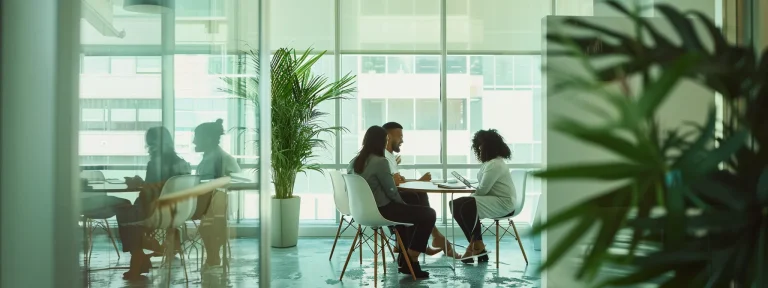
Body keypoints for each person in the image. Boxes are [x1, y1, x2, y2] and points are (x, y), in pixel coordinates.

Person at [347, 126, 435, 278]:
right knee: (428, 214)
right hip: (382, 210)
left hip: (360, 212)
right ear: (381, 141)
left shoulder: (353, 162)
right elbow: (391, 191)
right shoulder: (380, 162)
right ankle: (411, 258)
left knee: (413, 203)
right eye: (386, 140)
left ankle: (405, 258)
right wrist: (404, 205)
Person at [116, 126, 192, 279]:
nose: (149, 147)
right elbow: (165, 187)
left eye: (150, 143)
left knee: (123, 211)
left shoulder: (155, 164)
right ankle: (146, 252)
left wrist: (138, 184)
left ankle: (138, 256)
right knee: (130, 213)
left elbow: (150, 193)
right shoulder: (182, 163)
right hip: (178, 212)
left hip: (156, 211)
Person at [382, 121, 458, 257]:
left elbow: (397, 181)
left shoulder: (390, 156)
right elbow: (392, 185)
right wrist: (417, 182)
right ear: (388, 137)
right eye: (399, 137)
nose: (402, 141)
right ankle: (431, 240)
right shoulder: (383, 159)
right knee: (420, 200)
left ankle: (424, 241)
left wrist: (418, 181)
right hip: (389, 204)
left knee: (419, 195)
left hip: (393, 198)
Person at [449, 129, 516, 264]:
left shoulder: (494, 164)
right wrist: (470, 196)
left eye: (481, 145)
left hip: (504, 204)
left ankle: (475, 247)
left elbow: (483, 190)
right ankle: (478, 246)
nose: (479, 148)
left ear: (489, 146)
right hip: (493, 199)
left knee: (467, 205)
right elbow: (483, 188)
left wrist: (469, 197)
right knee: (454, 204)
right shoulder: (490, 163)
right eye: (478, 145)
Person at [192, 119, 241, 268]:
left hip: (215, 206)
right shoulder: (210, 157)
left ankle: (213, 255)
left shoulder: (221, 159)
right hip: (207, 205)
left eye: (197, 137)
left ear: (207, 139)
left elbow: (233, 183)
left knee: (208, 221)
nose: (194, 141)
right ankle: (212, 254)